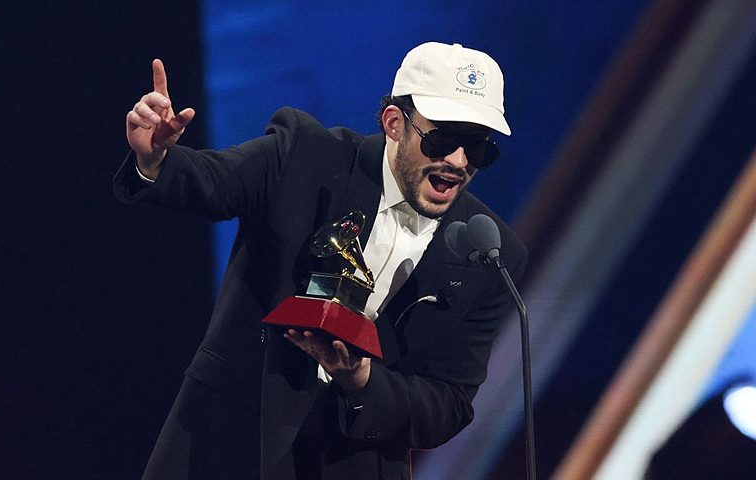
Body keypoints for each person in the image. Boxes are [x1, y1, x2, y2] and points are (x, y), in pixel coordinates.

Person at [115, 42, 527, 480]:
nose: (458, 162)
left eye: (477, 149)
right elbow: (215, 181)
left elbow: (448, 405)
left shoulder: (493, 254)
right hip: (228, 439)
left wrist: (362, 380)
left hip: (353, 461)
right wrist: (156, 159)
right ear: (394, 123)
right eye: (441, 140)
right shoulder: (305, 156)